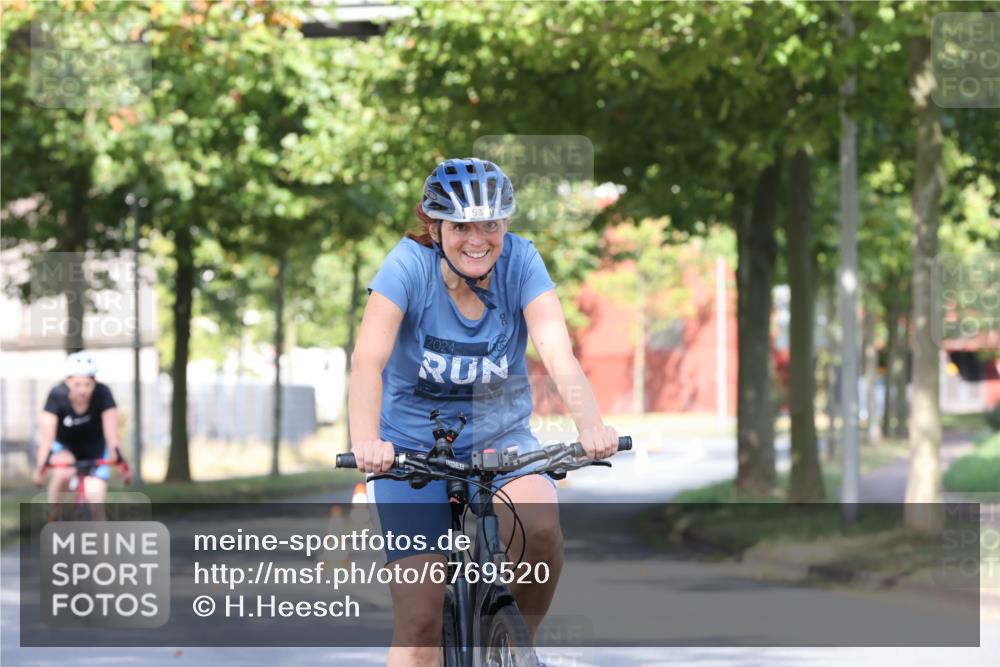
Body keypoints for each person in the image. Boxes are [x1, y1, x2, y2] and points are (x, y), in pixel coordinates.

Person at [349, 157, 620, 666]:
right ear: (435, 226)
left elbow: (558, 354)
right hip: (409, 450)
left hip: (502, 438)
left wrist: (591, 426)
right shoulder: (407, 265)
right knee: (420, 623)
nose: (478, 239)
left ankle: (516, 645)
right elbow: (368, 360)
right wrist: (368, 441)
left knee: (540, 527)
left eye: (490, 224)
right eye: (461, 226)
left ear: (506, 225)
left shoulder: (522, 262)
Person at [33, 351, 131, 518]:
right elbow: (47, 437)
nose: (82, 390)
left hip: (95, 448)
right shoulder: (57, 395)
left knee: (96, 501)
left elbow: (112, 434)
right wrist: (40, 467)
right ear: (68, 381)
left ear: (94, 382)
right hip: (65, 446)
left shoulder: (103, 394)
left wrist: (122, 462)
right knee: (64, 470)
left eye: (87, 384)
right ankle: (53, 516)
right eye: (77, 384)